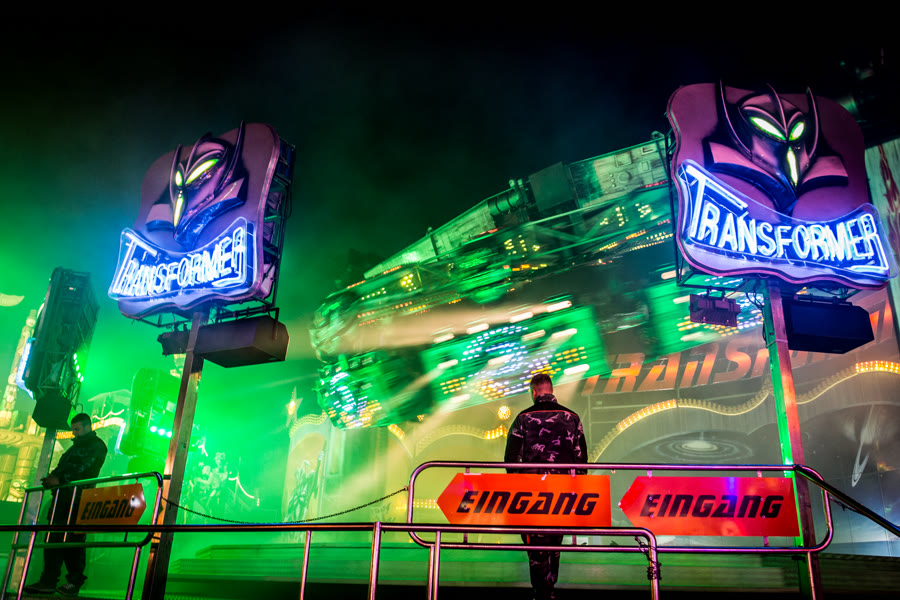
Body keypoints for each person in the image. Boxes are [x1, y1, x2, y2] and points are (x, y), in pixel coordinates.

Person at [504, 373, 588, 600]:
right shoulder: (572, 417)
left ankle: (541, 594)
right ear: (551, 390)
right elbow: (581, 462)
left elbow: (511, 462)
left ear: (533, 392)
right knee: (555, 546)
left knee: (536, 550)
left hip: (532, 497)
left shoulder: (523, 418)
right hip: (562, 497)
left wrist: (518, 490)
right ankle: (549, 591)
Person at [24, 413, 107, 597]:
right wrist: (54, 478)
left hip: (78, 499)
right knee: (54, 539)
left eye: (77, 429)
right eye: (73, 429)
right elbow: (66, 467)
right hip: (63, 498)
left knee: (73, 541)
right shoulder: (77, 447)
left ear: (87, 427)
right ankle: (49, 581)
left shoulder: (97, 446)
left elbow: (84, 468)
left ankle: (72, 582)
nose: (74, 433)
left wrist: (59, 479)